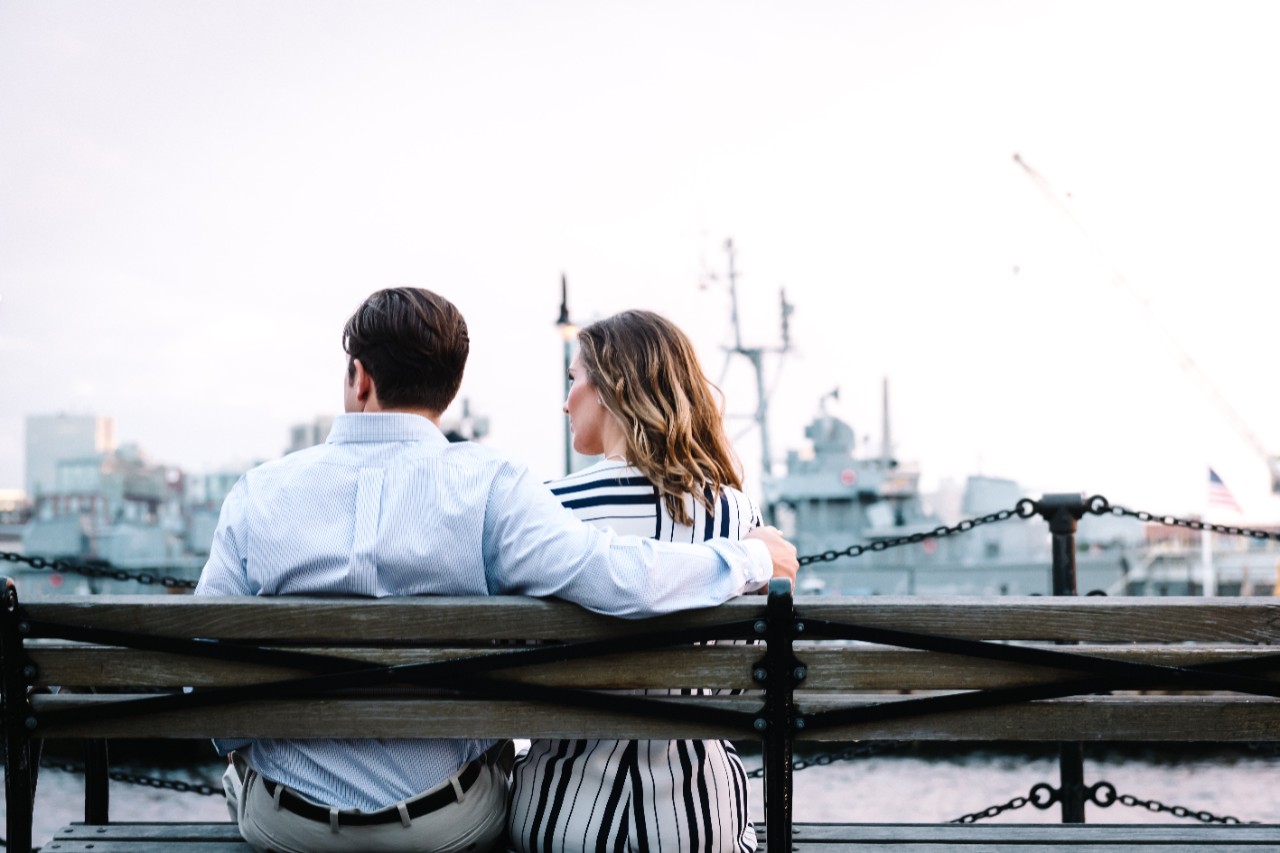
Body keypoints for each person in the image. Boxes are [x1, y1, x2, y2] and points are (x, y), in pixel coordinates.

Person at [195, 288, 797, 853]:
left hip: (288, 825)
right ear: (450, 390)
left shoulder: (258, 492)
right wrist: (748, 557)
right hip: (445, 824)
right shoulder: (491, 486)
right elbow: (614, 576)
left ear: (359, 377)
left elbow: (205, 665)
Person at [508, 309, 766, 853]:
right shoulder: (735, 519)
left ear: (610, 389)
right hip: (700, 821)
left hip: (560, 816)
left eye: (573, 380)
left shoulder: (547, 511)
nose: (565, 401)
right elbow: (743, 681)